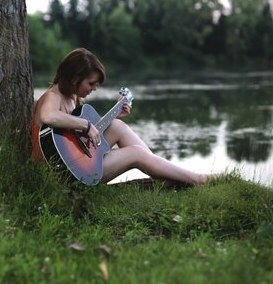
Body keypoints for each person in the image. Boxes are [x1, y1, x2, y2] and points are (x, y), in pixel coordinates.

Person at [30, 48, 213, 186]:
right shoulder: (52, 96)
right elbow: (48, 116)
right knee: (136, 153)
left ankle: (164, 173)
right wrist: (86, 125)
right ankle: (199, 180)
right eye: (91, 83)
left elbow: (77, 136)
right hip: (64, 174)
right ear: (74, 78)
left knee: (117, 125)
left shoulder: (72, 97)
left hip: (78, 163)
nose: (94, 88)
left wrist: (116, 112)